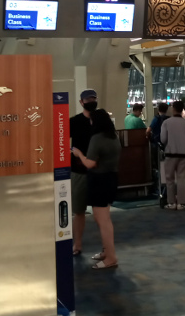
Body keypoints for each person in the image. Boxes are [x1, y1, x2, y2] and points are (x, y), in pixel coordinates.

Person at [71, 109, 121, 270]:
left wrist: (79, 154)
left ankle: (111, 257)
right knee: (105, 219)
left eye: (92, 120)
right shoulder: (114, 137)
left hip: (99, 181)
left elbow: (90, 163)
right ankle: (107, 252)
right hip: (111, 178)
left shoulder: (97, 139)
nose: (90, 123)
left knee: (103, 221)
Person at [69, 89, 97, 256]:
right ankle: (77, 244)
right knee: (79, 210)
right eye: (88, 99)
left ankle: (105, 247)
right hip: (79, 171)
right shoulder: (74, 122)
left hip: (98, 171)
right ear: (81, 102)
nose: (91, 101)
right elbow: (61, 140)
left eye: (93, 98)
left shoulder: (100, 121)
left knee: (101, 211)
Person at [160, 100, 185, 210]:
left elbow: (163, 139)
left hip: (170, 154)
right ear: (182, 109)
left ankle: (171, 203)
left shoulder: (166, 123)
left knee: (169, 179)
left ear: (173, 109)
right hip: (184, 154)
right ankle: (181, 203)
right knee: (182, 179)